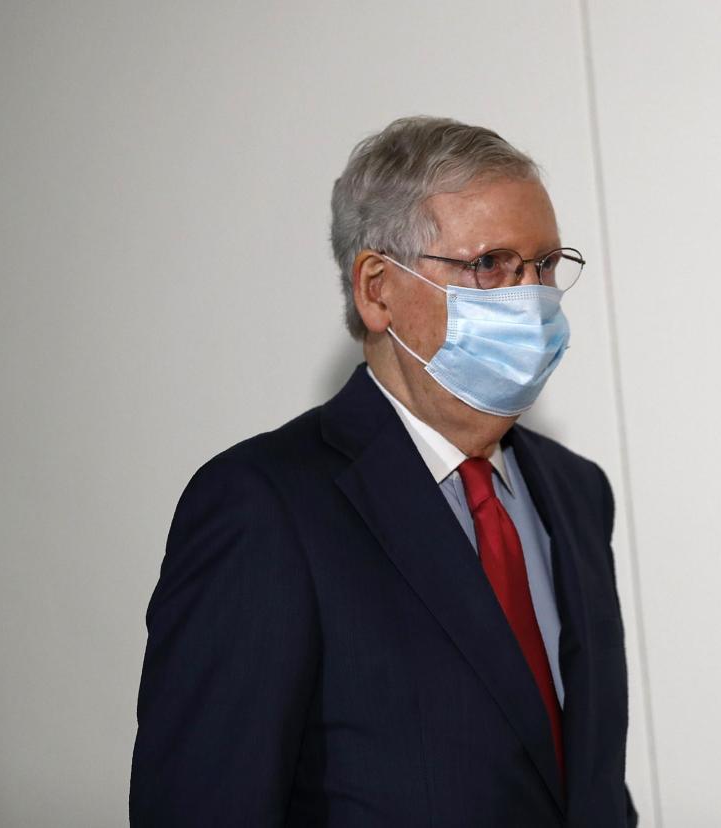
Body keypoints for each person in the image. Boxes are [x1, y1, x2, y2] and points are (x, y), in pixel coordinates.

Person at [130, 116, 637, 827]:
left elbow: (584, 782)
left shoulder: (579, 493)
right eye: (491, 264)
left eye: (546, 265)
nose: (533, 298)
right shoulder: (265, 507)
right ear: (377, 289)